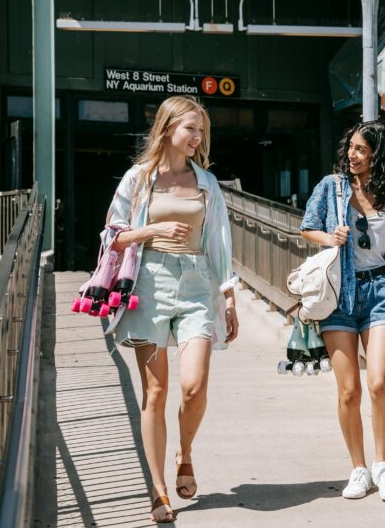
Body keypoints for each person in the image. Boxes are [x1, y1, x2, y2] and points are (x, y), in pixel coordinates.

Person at [102, 95, 239, 523]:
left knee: (194, 386)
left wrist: (228, 296)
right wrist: (153, 229)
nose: (198, 138)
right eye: (190, 129)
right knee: (156, 393)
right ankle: (158, 491)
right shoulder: (138, 179)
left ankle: (186, 450)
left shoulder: (207, 183)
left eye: (201, 130)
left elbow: (219, 241)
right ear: (167, 130)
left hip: (197, 284)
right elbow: (113, 236)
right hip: (149, 283)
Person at [300, 121, 385, 502]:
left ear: (377, 155)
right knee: (349, 390)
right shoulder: (331, 188)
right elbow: (307, 227)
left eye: (361, 150)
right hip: (340, 295)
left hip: (382, 290)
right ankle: (359, 468)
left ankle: (383, 465)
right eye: (350, 147)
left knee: (379, 381)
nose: (352, 155)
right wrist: (330, 237)